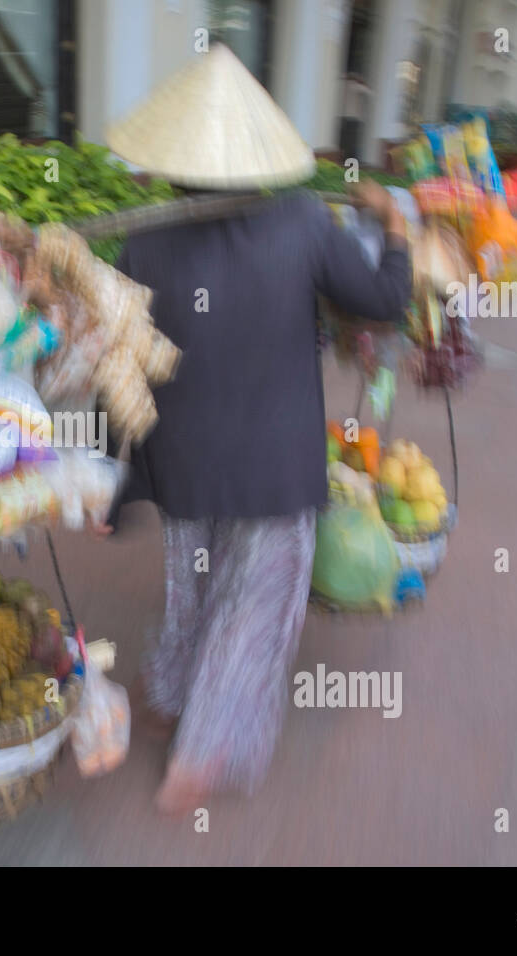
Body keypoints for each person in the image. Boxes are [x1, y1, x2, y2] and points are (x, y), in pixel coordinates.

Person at [101, 45, 412, 813]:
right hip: (271, 463)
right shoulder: (305, 222)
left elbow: (124, 365)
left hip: (181, 457)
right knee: (255, 609)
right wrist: (398, 231)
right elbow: (380, 300)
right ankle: (200, 759)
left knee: (193, 589)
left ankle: (171, 695)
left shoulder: (143, 238)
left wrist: (117, 475)